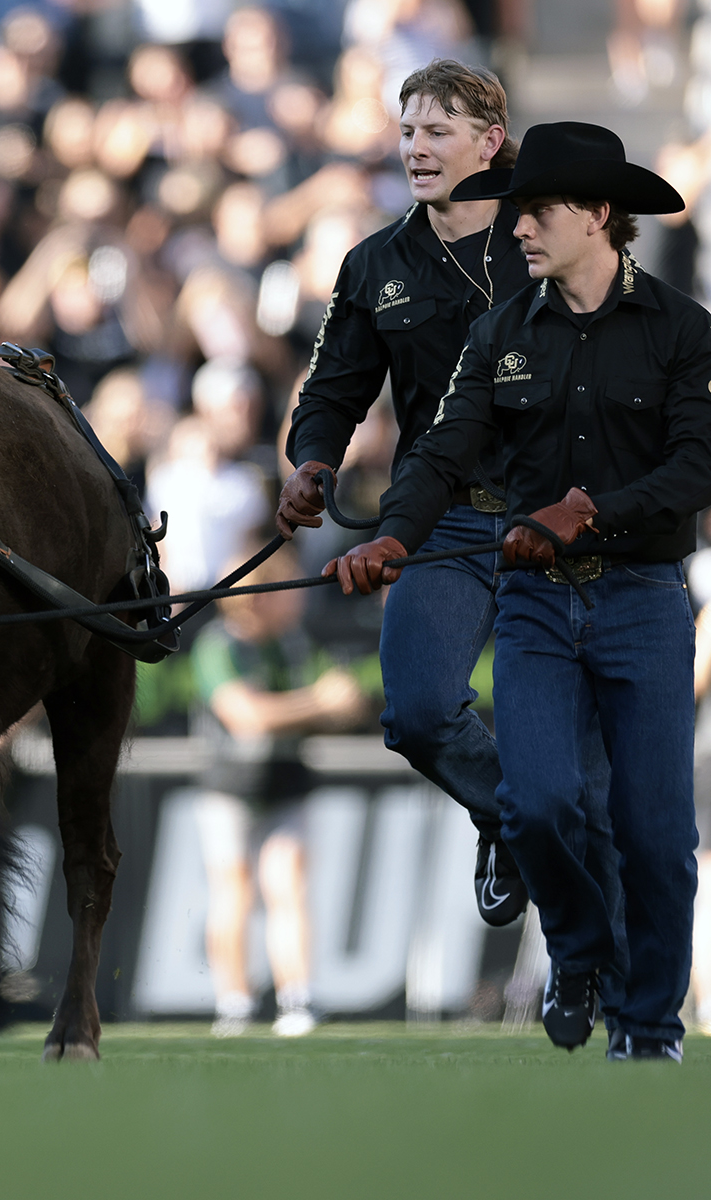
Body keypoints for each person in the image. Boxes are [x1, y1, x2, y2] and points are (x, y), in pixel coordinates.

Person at [329, 122, 703, 1061]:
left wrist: (591, 511)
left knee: (655, 834)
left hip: (644, 602)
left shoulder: (684, 330)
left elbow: (700, 467)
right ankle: (577, 952)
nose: (519, 227)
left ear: (598, 216)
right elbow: (441, 450)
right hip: (536, 605)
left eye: (536, 210)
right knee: (539, 805)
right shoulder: (500, 332)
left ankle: (649, 1029)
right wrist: (391, 538)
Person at [277, 61, 624, 951]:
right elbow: (332, 389)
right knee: (418, 712)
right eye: (406, 132)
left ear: (489, 142)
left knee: (581, 770)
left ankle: (596, 965)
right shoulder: (374, 264)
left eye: (437, 131)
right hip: (443, 519)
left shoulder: (551, 235)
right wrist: (312, 461)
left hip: (558, 518)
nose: (416, 149)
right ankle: (509, 820)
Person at [190, 545, 368, 1038]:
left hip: (288, 782)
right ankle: (235, 1004)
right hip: (229, 790)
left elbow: (345, 699)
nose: (299, 598)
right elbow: (247, 716)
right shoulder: (218, 646)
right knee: (234, 892)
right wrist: (318, 702)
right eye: (286, 589)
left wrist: (335, 701)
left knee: (288, 886)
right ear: (257, 598)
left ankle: (297, 999)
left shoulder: (296, 642)